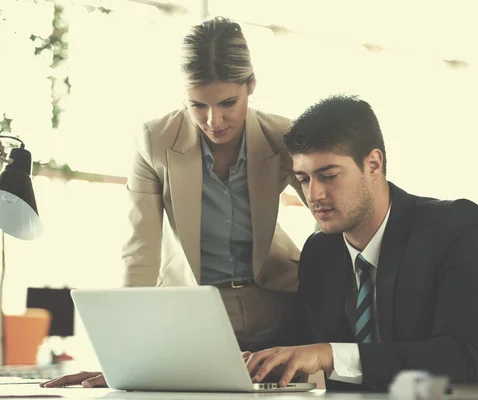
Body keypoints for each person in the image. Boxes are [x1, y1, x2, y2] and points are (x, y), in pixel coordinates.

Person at [42, 16, 304, 388]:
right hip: (192, 323)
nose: (214, 120)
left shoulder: (285, 137)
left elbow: (332, 217)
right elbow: (140, 255)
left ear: (252, 86)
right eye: (198, 105)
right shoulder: (155, 141)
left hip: (280, 315)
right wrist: (125, 356)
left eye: (228, 102)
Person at [245, 95, 478, 392]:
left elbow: (461, 358)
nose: (314, 194)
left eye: (328, 176)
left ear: (373, 164)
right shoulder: (320, 252)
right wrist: (253, 362)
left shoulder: (458, 227)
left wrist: (329, 354)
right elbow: (297, 343)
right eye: (303, 179)